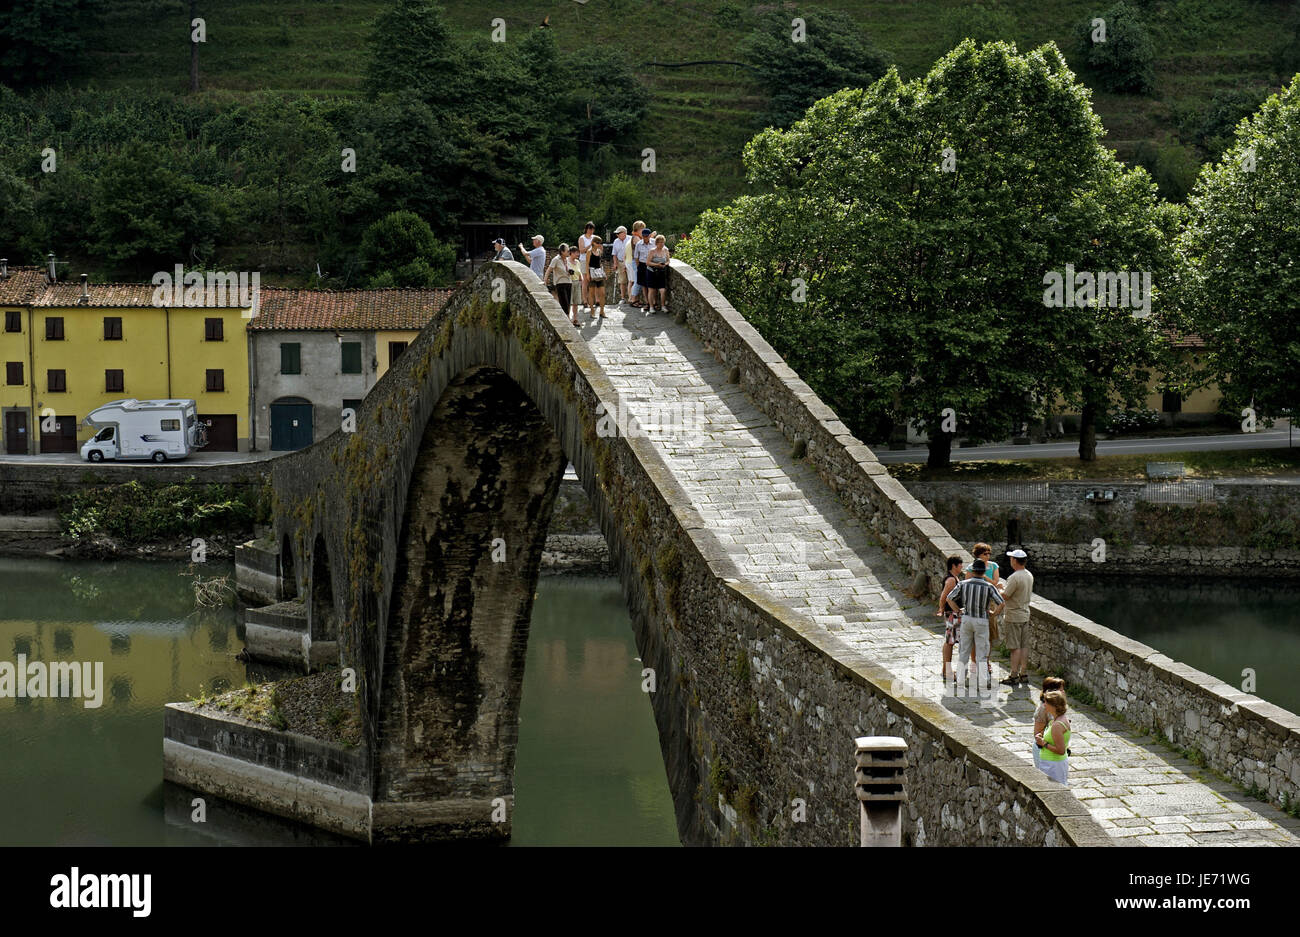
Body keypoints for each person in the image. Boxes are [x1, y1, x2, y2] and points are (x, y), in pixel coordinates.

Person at [946, 559, 1004, 693]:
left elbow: (949, 598)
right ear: (983, 572)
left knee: (964, 650)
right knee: (982, 652)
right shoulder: (989, 587)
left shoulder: (963, 584)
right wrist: (993, 613)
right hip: (981, 620)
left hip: (966, 618)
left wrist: (957, 610)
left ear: (972, 571)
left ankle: (960, 679)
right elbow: (1001, 603)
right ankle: (983, 681)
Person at [999, 548, 1034, 686]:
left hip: (1013, 615)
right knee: (1024, 645)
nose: (1010, 561)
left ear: (1014, 560)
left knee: (1014, 647)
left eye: (1011, 558)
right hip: (1025, 613)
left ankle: (1013, 675)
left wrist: (1000, 588)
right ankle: (1023, 673)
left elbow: (1005, 596)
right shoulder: (1028, 575)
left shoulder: (1014, 577)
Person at [937, 555, 964, 682]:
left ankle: (945, 670)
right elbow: (944, 596)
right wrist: (941, 609)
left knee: (950, 641)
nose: (962, 567)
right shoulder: (951, 580)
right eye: (960, 565)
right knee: (950, 641)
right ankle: (946, 671)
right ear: (954, 565)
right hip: (952, 613)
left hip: (952, 613)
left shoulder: (954, 578)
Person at [1035, 690, 1071, 783]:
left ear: (1053, 706)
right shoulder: (1057, 719)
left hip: (1053, 764)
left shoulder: (1057, 725)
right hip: (1051, 762)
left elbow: (1061, 750)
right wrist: (1042, 735)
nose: (1044, 705)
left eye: (1046, 703)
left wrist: (1043, 743)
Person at [1033, 676, 1066, 770]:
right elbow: (1037, 733)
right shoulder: (1043, 709)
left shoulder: (1059, 707)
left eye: (1063, 690)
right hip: (1044, 750)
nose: (1063, 692)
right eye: (1061, 690)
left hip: (1054, 749)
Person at [547, 243, 575, 325]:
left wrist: (570, 271)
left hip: (568, 282)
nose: (569, 252)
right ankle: (566, 320)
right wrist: (545, 281)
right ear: (562, 252)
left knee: (568, 301)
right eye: (567, 250)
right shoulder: (556, 259)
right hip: (560, 282)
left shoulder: (567, 259)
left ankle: (567, 318)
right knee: (564, 301)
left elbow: (567, 269)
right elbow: (549, 269)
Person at [647, 234, 670, 312]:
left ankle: (663, 306)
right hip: (651, 272)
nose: (661, 244)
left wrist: (665, 265)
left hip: (661, 272)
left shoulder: (665, 250)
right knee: (651, 290)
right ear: (656, 243)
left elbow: (668, 260)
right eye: (659, 242)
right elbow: (648, 262)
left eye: (663, 242)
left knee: (663, 290)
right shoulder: (652, 251)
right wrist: (657, 264)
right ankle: (651, 307)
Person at [587, 235, 608, 319]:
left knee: (602, 293)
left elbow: (600, 263)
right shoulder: (589, 251)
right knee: (591, 293)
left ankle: (602, 311)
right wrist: (588, 274)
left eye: (600, 243)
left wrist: (604, 273)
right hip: (592, 272)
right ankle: (592, 311)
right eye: (597, 243)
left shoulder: (599, 251)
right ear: (593, 243)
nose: (599, 244)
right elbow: (587, 263)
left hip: (599, 272)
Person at [578, 222, 596, 313]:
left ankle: (592, 300)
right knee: (585, 281)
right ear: (586, 229)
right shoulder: (582, 238)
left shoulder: (595, 237)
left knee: (593, 281)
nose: (591, 231)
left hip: (593, 261)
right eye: (590, 229)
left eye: (592, 229)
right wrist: (590, 245)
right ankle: (584, 300)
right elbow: (581, 250)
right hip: (584, 260)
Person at [634, 227, 653, 310]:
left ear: (649, 236)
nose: (645, 238)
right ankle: (647, 302)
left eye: (647, 236)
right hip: (642, 265)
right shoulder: (638, 244)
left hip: (652, 264)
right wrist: (638, 266)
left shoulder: (654, 242)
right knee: (644, 285)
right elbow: (636, 257)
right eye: (644, 236)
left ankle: (654, 302)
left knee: (652, 285)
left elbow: (664, 249)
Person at [627, 221, 646, 307]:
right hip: (636, 261)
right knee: (637, 281)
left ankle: (635, 299)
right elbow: (641, 245)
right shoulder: (635, 237)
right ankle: (633, 299)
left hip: (637, 261)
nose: (643, 230)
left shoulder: (637, 237)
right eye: (642, 229)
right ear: (637, 229)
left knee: (638, 281)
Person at [566, 246, 583, 321]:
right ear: (571, 253)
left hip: (577, 283)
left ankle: (575, 318)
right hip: (569, 282)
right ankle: (568, 318)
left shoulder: (578, 262)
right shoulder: (566, 261)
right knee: (569, 302)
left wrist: (581, 279)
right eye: (576, 253)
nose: (578, 254)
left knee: (576, 302)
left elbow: (579, 272)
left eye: (578, 253)